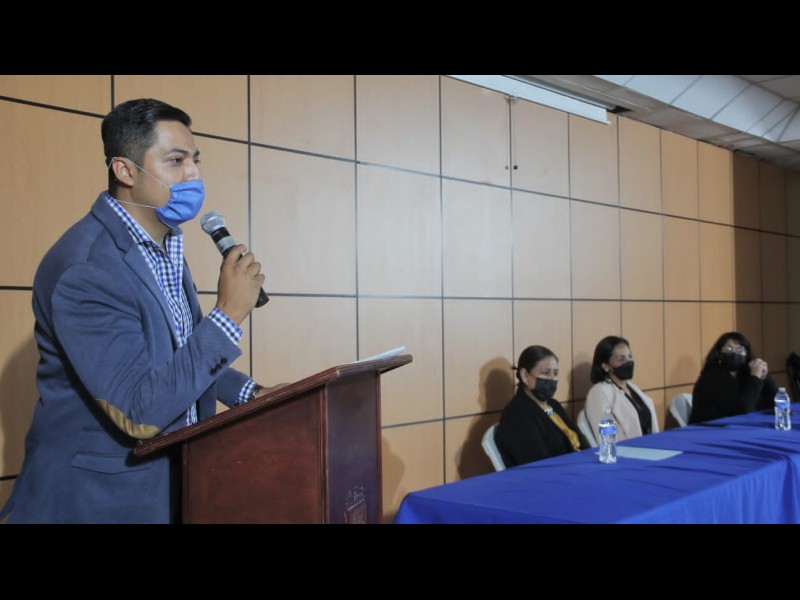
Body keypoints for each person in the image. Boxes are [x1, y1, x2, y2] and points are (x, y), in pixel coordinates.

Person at [0, 98, 268, 524]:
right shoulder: (87, 268)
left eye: (195, 160)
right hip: (95, 502)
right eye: (176, 161)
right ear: (125, 170)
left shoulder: (164, 245)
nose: (193, 174)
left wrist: (249, 393)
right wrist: (228, 314)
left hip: (166, 489)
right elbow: (139, 412)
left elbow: (175, 355)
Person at [494, 345, 590, 467]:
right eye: (545, 373)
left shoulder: (553, 405)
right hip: (555, 474)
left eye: (555, 373)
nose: (552, 379)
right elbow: (538, 463)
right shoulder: (517, 414)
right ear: (524, 375)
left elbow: (579, 440)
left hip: (580, 466)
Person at [689, 331, 777, 424]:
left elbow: (776, 402)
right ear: (719, 353)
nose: (734, 353)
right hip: (711, 428)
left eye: (739, 350)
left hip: (742, 426)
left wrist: (764, 376)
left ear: (747, 354)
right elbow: (742, 411)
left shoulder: (747, 373)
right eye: (729, 349)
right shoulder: (710, 378)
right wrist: (755, 378)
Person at [585, 335, 659, 441]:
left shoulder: (632, 388)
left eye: (629, 356)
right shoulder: (599, 393)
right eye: (621, 359)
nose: (628, 362)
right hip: (628, 450)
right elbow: (607, 438)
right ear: (605, 365)